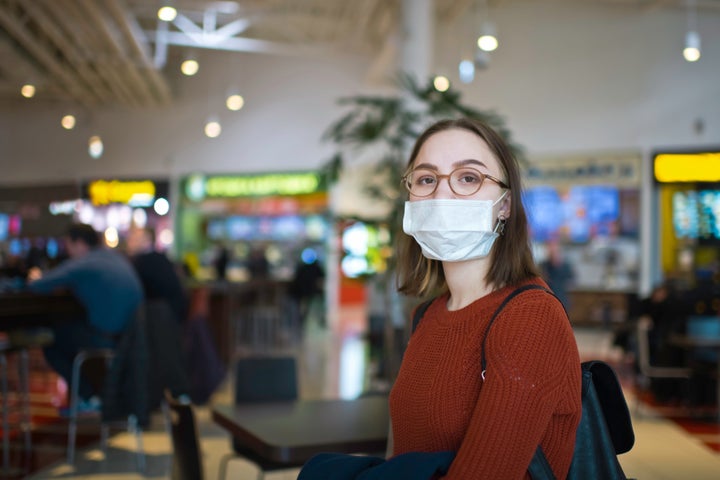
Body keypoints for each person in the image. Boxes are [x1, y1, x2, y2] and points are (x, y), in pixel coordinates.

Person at [390, 118, 582, 479]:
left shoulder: (531, 318)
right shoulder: (426, 315)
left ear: (505, 205)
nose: (442, 195)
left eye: (468, 178)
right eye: (426, 179)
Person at [27, 223, 144, 411]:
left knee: (52, 342)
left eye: (69, 246)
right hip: (131, 339)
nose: (69, 252)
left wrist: (35, 277)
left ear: (80, 243)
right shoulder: (116, 259)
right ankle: (94, 395)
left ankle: (90, 397)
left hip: (107, 339)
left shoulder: (85, 262)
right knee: (71, 329)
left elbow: (39, 284)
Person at [126, 226, 189, 324]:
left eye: (135, 239)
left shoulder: (144, 261)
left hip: (162, 319)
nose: (130, 242)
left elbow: (133, 293)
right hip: (175, 315)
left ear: (147, 241)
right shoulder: (160, 257)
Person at [539, 237, 575, 310]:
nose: (552, 250)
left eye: (554, 247)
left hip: (562, 299)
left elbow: (571, 281)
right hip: (547, 300)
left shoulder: (565, 265)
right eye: (550, 247)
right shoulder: (543, 265)